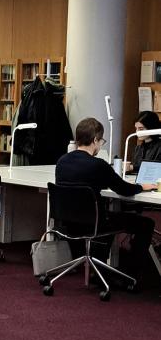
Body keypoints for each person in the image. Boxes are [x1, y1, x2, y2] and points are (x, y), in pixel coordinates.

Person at [55, 117, 156, 279]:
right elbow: (124, 189)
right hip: (95, 223)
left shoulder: (62, 161)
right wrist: (142, 186)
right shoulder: (98, 165)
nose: (101, 144)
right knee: (146, 224)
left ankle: (99, 268)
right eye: (101, 141)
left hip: (68, 222)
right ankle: (132, 274)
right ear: (95, 140)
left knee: (106, 215)